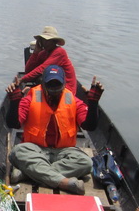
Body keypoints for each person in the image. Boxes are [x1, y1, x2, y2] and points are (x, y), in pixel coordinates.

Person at [9, 65, 104, 194]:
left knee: (86, 163)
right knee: (17, 151)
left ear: (64, 84)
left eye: (57, 84)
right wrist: (14, 102)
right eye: (50, 84)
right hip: (35, 150)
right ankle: (64, 183)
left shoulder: (73, 101)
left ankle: (27, 173)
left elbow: (90, 126)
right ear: (43, 84)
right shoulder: (30, 98)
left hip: (63, 152)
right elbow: (13, 123)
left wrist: (93, 103)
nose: (54, 89)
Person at [6, 26, 76, 94]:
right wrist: (35, 53)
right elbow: (28, 70)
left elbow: (42, 69)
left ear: (54, 42)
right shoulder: (43, 53)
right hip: (52, 89)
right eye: (43, 40)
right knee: (39, 79)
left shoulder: (60, 52)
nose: (45, 43)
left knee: (41, 78)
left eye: (48, 40)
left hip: (67, 91)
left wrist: (22, 79)